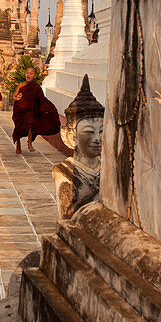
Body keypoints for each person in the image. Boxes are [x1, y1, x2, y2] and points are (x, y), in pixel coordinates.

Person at [52, 75, 104, 220]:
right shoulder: (64, 172)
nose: (97, 139)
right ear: (71, 137)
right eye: (89, 132)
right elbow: (67, 216)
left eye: (101, 131)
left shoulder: (107, 170)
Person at [11, 65, 71, 155]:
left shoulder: (36, 87)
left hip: (30, 110)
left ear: (35, 76)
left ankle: (30, 143)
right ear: (24, 74)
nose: (28, 75)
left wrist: (48, 108)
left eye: (31, 73)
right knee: (19, 127)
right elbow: (14, 97)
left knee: (31, 125)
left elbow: (41, 99)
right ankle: (18, 144)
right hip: (20, 109)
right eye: (27, 73)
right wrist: (17, 98)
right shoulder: (21, 85)